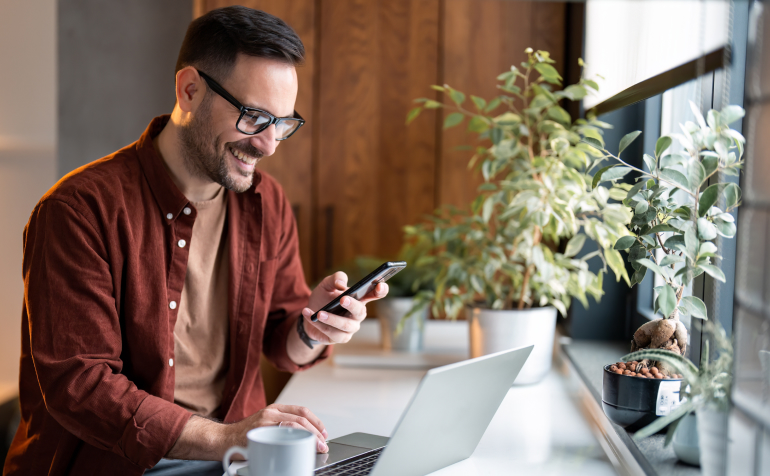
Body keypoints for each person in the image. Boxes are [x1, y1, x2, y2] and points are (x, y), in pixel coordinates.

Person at [3, 6, 388, 476]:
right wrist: (230, 437)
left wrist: (314, 327)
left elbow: (280, 341)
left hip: (233, 461)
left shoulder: (266, 202)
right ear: (189, 90)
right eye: (254, 116)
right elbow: (81, 387)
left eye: (283, 123)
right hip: (121, 466)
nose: (268, 144)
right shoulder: (78, 210)